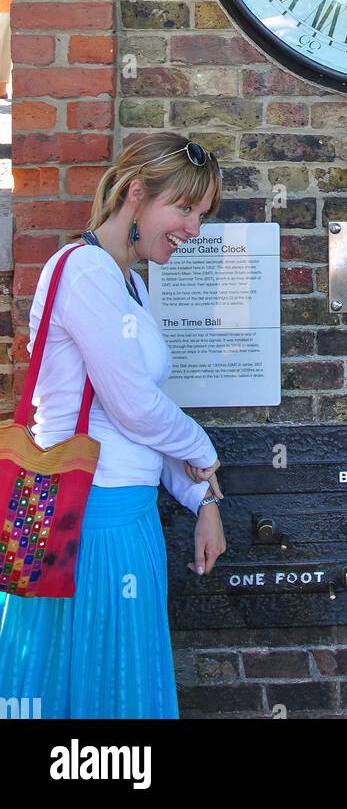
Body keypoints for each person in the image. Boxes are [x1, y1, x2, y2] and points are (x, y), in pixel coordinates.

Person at [0, 132, 227, 718]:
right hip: (88, 522)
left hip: (123, 517)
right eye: (184, 209)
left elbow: (142, 417)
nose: (193, 229)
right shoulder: (83, 272)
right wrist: (202, 450)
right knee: (99, 692)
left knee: (111, 685)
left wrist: (201, 497)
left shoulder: (129, 283)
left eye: (201, 215)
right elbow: (132, 406)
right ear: (135, 194)